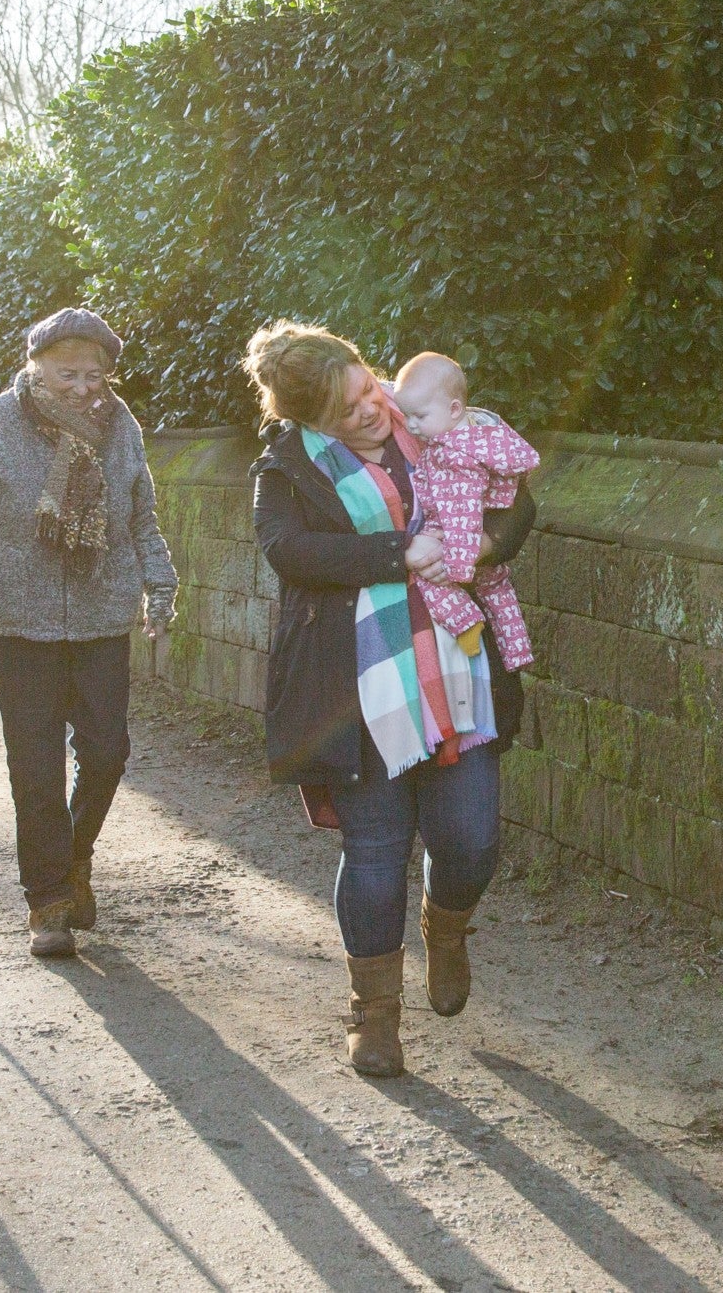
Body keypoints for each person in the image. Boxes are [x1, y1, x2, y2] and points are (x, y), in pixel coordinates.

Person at [246, 321, 533, 1077]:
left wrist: (480, 552)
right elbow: (287, 551)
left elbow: (515, 500)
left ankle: (447, 929)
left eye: (367, 386)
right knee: (374, 856)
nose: (374, 410)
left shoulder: (436, 421)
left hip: (462, 674)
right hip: (359, 689)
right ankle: (374, 1016)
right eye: (349, 410)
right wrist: (396, 554)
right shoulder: (285, 469)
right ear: (310, 421)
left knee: (471, 841)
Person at [0, 308, 179, 960]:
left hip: (101, 616)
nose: (82, 387)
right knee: (35, 768)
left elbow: (142, 518)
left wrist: (161, 586)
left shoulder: (120, 427)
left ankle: (75, 858)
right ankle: (48, 900)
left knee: (107, 753)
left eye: (94, 375)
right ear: (36, 367)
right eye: (67, 373)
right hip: (17, 622)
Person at [388, 351, 540, 671]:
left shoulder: (452, 455)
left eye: (419, 416)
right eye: (407, 416)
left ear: (454, 409)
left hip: (457, 540)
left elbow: (463, 512)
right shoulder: (481, 435)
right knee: (497, 588)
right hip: (484, 531)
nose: (411, 426)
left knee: (426, 579)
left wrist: (456, 563)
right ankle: (517, 650)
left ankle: (465, 621)